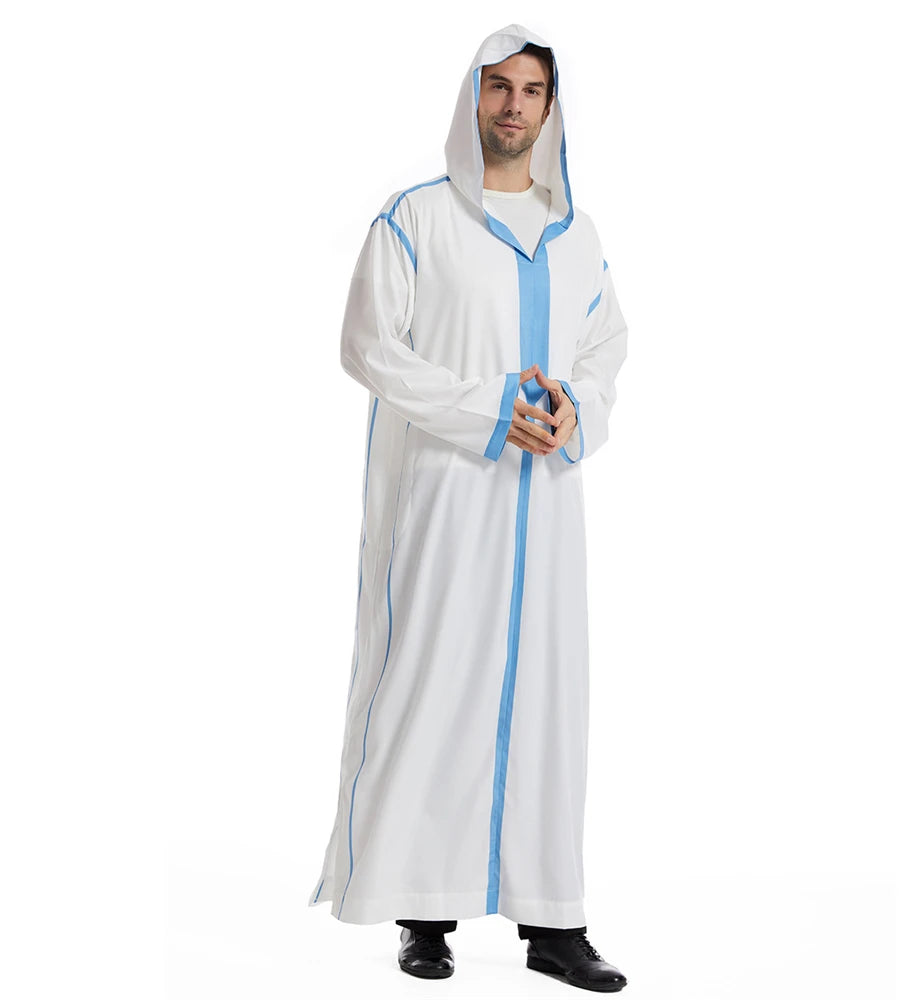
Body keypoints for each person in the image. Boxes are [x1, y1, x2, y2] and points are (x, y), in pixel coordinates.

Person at [307, 23, 629, 993]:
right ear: (473, 97)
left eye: (530, 90)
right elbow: (369, 346)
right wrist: (488, 409)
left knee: (546, 704)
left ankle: (554, 922)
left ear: (551, 107)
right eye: (498, 87)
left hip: (548, 514)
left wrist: (576, 412)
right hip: (445, 505)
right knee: (436, 689)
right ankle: (424, 910)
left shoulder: (577, 237)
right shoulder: (416, 219)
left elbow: (605, 347)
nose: (513, 106)